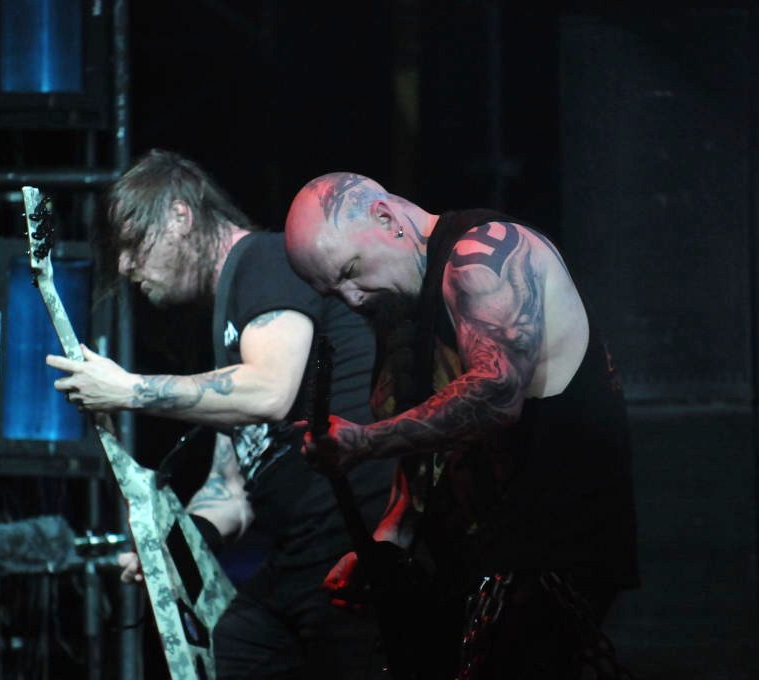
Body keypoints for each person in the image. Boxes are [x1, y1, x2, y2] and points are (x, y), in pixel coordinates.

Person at [46, 151, 396, 679]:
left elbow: (269, 389)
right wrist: (174, 548)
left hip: (351, 541)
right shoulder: (231, 321)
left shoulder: (263, 259)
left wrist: (130, 389)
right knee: (235, 646)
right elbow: (230, 491)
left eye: (133, 242)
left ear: (180, 216)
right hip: (301, 554)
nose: (124, 265)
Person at [283, 172, 639, 679]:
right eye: (333, 291)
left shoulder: (485, 254)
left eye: (351, 271)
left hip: (546, 557)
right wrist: (388, 542)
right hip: (473, 564)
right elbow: (429, 450)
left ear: (386, 217)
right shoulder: (400, 309)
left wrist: (363, 442)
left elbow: (495, 394)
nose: (353, 298)